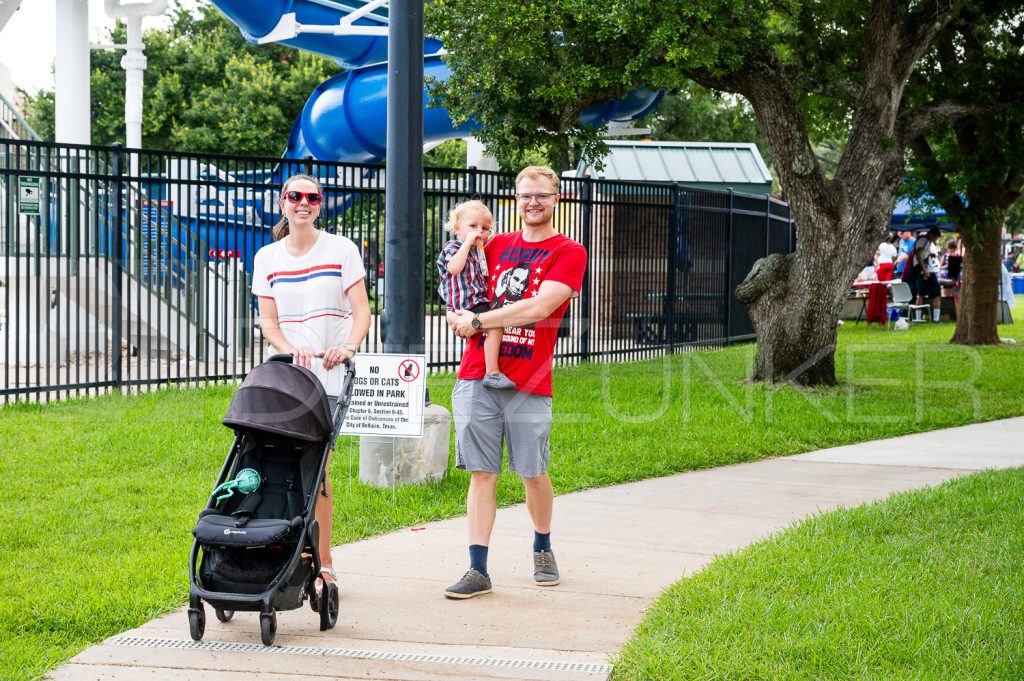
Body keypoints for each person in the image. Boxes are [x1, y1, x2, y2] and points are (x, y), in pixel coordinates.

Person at [443, 166, 587, 599]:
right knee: (482, 473)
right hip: (477, 374)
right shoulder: (495, 243)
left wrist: (479, 320)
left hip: (529, 379)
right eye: (525, 195)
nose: (533, 202)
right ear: (517, 199)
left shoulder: (569, 251)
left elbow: (540, 307)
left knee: (532, 471)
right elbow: (456, 282)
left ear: (557, 199)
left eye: (541, 195)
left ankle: (542, 545)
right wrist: (455, 316)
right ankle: (477, 569)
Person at [251, 173, 371, 596]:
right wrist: (289, 348)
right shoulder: (267, 257)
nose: (303, 202)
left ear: (320, 204)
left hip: (328, 377)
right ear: (282, 202)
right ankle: (282, 553)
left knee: (316, 470)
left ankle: (324, 562)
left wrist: (349, 346)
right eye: (295, 196)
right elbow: (269, 322)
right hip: (286, 378)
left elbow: (361, 312)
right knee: (277, 466)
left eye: (312, 197)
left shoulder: (341, 249)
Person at [436, 200, 515, 390]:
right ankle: (492, 373)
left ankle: (490, 370)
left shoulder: (478, 252)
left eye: (485, 228)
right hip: (465, 302)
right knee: (496, 325)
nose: (479, 231)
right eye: (473, 226)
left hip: (476, 301)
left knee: (493, 325)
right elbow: (454, 268)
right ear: (457, 228)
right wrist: (467, 243)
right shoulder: (453, 247)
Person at [910, 227, 943, 322]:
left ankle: (920, 318)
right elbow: (918, 254)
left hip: (924, 270)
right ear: (931, 234)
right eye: (935, 237)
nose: (934, 240)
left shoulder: (926, 241)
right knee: (933, 295)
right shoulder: (924, 240)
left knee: (922, 295)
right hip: (924, 271)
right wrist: (924, 270)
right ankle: (934, 319)